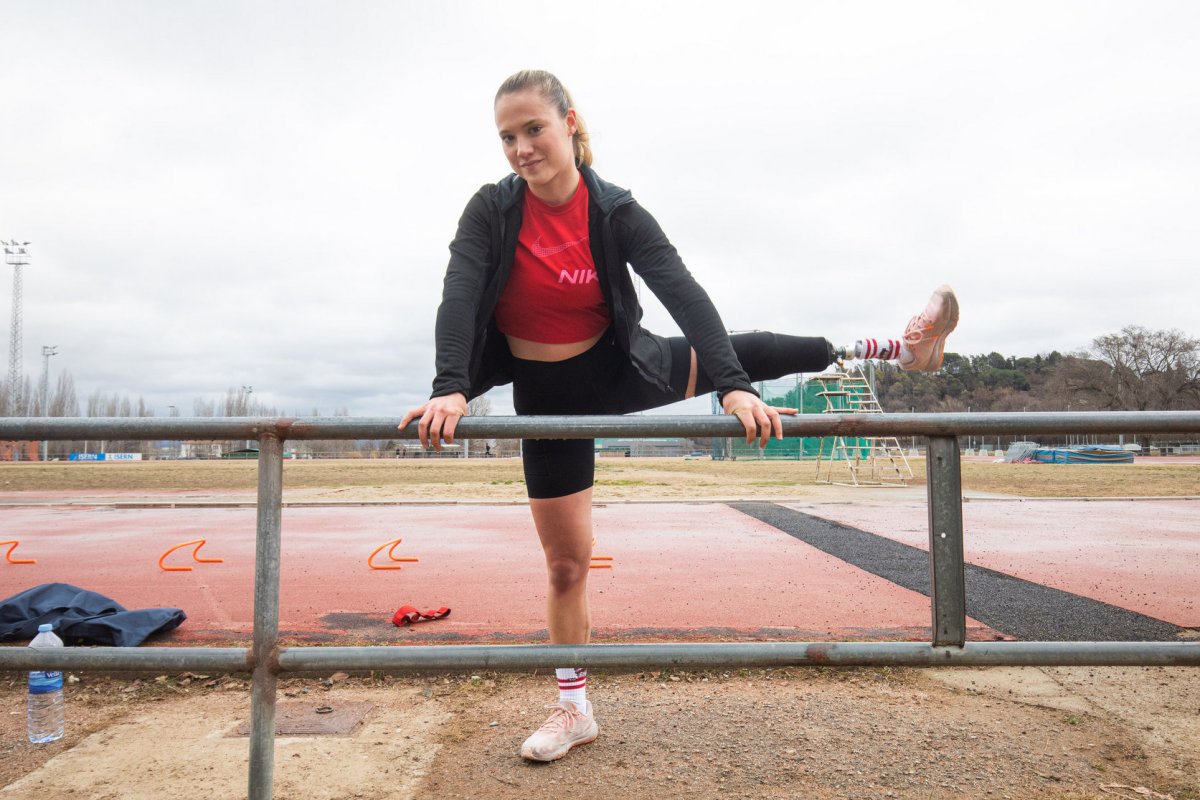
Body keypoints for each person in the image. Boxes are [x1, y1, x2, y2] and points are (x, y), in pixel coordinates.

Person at [400, 69, 959, 762]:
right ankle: (574, 710)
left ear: (569, 122)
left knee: (745, 349)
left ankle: (899, 349)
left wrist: (730, 387)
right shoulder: (491, 209)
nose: (521, 148)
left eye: (534, 129)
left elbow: (683, 293)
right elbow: (459, 294)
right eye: (507, 136)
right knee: (568, 566)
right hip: (544, 393)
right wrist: (452, 386)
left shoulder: (615, 211)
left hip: (619, 367)